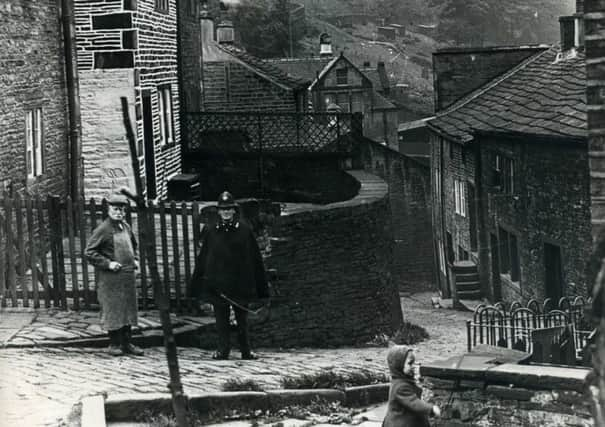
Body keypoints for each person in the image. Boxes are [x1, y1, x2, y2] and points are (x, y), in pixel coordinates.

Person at [191, 191, 269, 360]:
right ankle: (223, 350)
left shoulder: (244, 230)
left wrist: (253, 283)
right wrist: (206, 281)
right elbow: (205, 258)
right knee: (221, 320)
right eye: (223, 210)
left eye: (229, 210)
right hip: (219, 284)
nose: (226, 213)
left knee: (242, 320)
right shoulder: (212, 230)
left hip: (239, 283)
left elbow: (253, 258)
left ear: (234, 211)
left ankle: (246, 350)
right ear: (218, 211)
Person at [85, 193, 144, 356]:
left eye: (121, 210)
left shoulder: (125, 226)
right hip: (111, 278)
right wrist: (108, 263)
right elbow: (90, 252)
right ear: (109, 209)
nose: (119, 213)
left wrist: (136, 259)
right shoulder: (103, 229)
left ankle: (127, 343)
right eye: (115, 209)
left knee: (128, 310)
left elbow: (134, 245)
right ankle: (114, 343)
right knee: (114, 310)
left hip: (127, 276)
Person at [383, 345, 441, 427]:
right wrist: (431, 409)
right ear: (398, 365)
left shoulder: (402, 380)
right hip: (400, 423)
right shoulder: (400, 387)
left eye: (414, 362)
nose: (413, 366)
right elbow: (414, 402)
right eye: (410, 363)